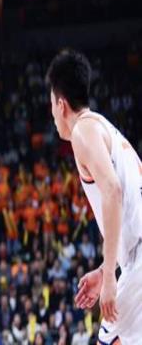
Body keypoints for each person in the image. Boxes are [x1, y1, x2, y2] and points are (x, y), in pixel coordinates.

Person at [46, 49, 142, 344]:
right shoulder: (102, 127)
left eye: (51, 105)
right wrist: (104, 270)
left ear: (61, 104)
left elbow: (113, 191)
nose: (52, 115)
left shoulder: (83, 132)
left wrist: (111, 276)